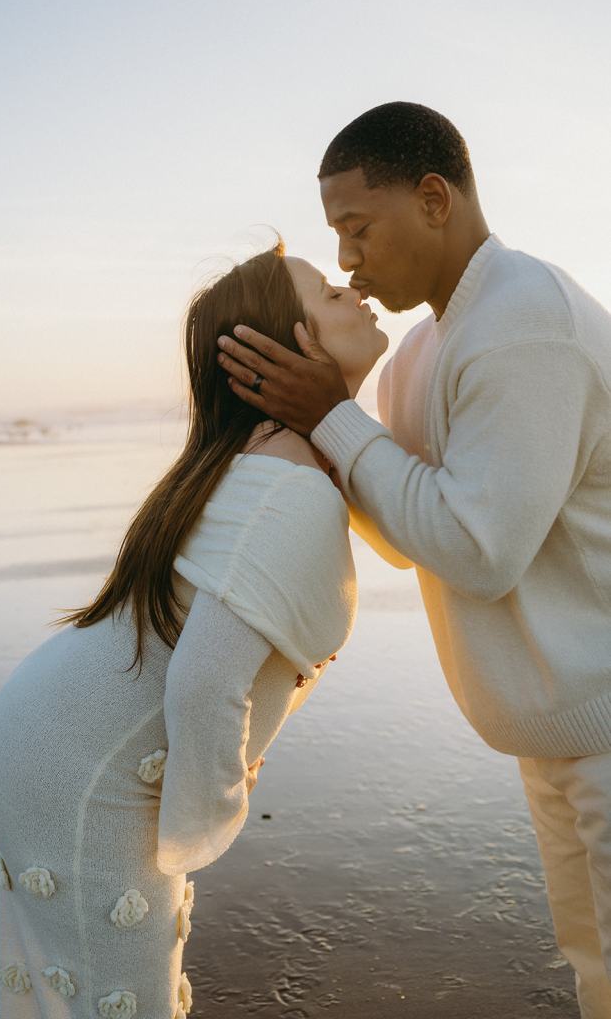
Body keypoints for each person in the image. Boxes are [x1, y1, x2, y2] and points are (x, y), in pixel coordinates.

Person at [217, 101, 611, 1019]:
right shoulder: (422, 351)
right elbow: (407, 534)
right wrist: (317, 419)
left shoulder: (524, 323)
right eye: (336, 237)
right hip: (558, 731)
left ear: (434, 198)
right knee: (593, 967)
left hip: (606, 727)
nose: (348, 258)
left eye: (359, 227)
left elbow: (477, 553)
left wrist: (332, 418)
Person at [0, 238, 389, 1019]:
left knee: (71, 995)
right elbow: (205, 681)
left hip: (54, 737)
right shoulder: (285, 486)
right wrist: (210, 820)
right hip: (82, 770)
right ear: (283, 348)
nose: (357, 293)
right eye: (330, 294)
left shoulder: (262, 459)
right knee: (116, 999)